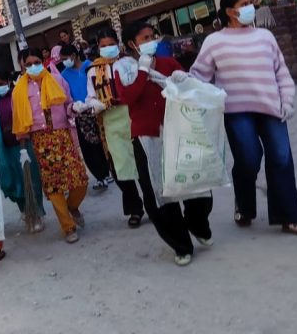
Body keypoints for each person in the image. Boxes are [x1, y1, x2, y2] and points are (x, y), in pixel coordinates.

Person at [179, 0, 297, 236]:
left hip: (272, 109)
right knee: (249, 160)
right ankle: (244, 205)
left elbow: (281, 72)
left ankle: (290, 217)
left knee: (282, 159)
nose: (250, 7)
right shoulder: (214, 42)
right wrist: (182, 81)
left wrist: (287, 101)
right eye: (244, 4)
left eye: (250, 3)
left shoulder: (265, 37)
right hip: (237, 112)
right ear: (230, 11)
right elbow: (200, 76)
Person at [119, 21, 214, 266]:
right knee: (158, 194)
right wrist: (143, 71)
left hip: (178, 131)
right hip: (146, 137)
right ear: (131, 44)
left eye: (153, 36)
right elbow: (128, 96)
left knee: (197, 183)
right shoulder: (124, 69)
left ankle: (197, 224)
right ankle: (181, 244)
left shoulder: (168, 63)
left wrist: (183, 79)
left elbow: (188, 90)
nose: (151, 41)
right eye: (144, 38)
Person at [12, 48, 88, 243]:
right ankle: (68, 226)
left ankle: (72, 206)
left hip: (62, 136)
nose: (33, 67)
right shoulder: (19, 90)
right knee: (54, 186)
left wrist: (75, 108)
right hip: (40, 141)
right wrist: (23, 148)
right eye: (28, 64)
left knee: (80, 179)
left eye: (36, 62)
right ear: (22, 66)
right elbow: (19, 119)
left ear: (43, 61)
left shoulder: (57, 80)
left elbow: (68, 104)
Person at [85, 29, 146, 228]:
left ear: (118, 43)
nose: (108, 48)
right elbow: (90, 97)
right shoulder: (93, 71)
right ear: (98, 47)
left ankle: (154, 204)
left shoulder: (129, 63)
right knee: (120, 169)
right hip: (111, 122)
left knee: (143, 163)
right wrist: (95, 104)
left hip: (133, 116)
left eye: (111, 44)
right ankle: (135, 208)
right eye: (103, 46)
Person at [0, 69, 44, 229]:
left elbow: (27, 116)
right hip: (5, 148)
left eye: (0, 84)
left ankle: (37, 214)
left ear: (8, 81)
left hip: (23, 145)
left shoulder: (18, 95)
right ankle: (24, 211)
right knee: (14, 181)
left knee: (31, 180)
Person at [59, 43, 110, 191]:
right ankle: (100, 176)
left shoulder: (90, 66)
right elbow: (66, 96)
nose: (64, 62)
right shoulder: (64, 75)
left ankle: (108, 171)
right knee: (88, 146)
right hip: (81, 113)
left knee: (102, 141)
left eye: (65, 58)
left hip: (97, 108)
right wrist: (74, 106)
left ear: (74, 55)